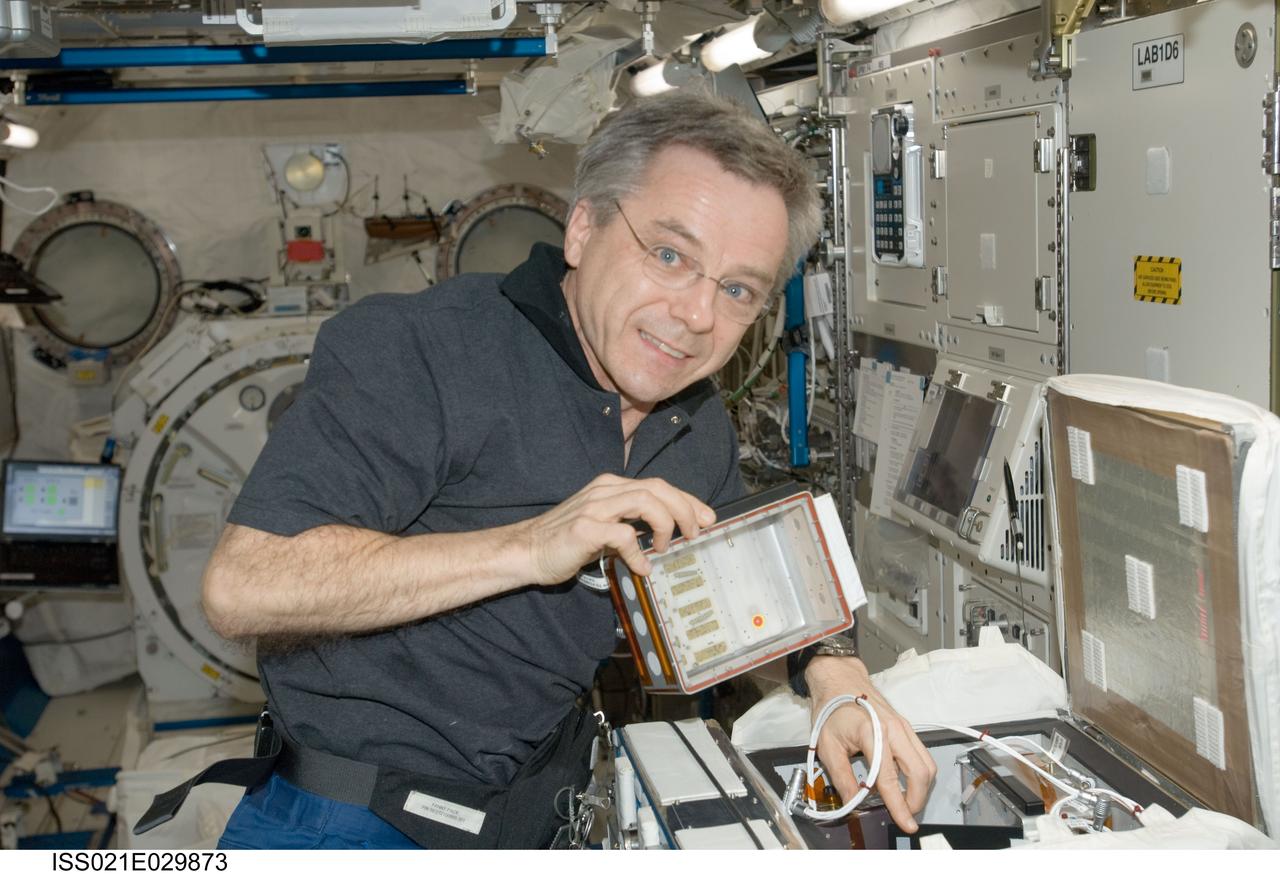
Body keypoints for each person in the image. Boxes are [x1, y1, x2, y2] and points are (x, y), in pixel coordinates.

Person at [199, 90, 935, 849]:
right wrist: (530, 545)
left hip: (535, 813)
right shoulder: (421, 352)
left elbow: (744, 581)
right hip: (352, 819)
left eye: (738, 289)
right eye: (671, 256)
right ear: (584, 228)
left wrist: (831, 671)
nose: (695, 316)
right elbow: (243, 585)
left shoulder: (692, 421)